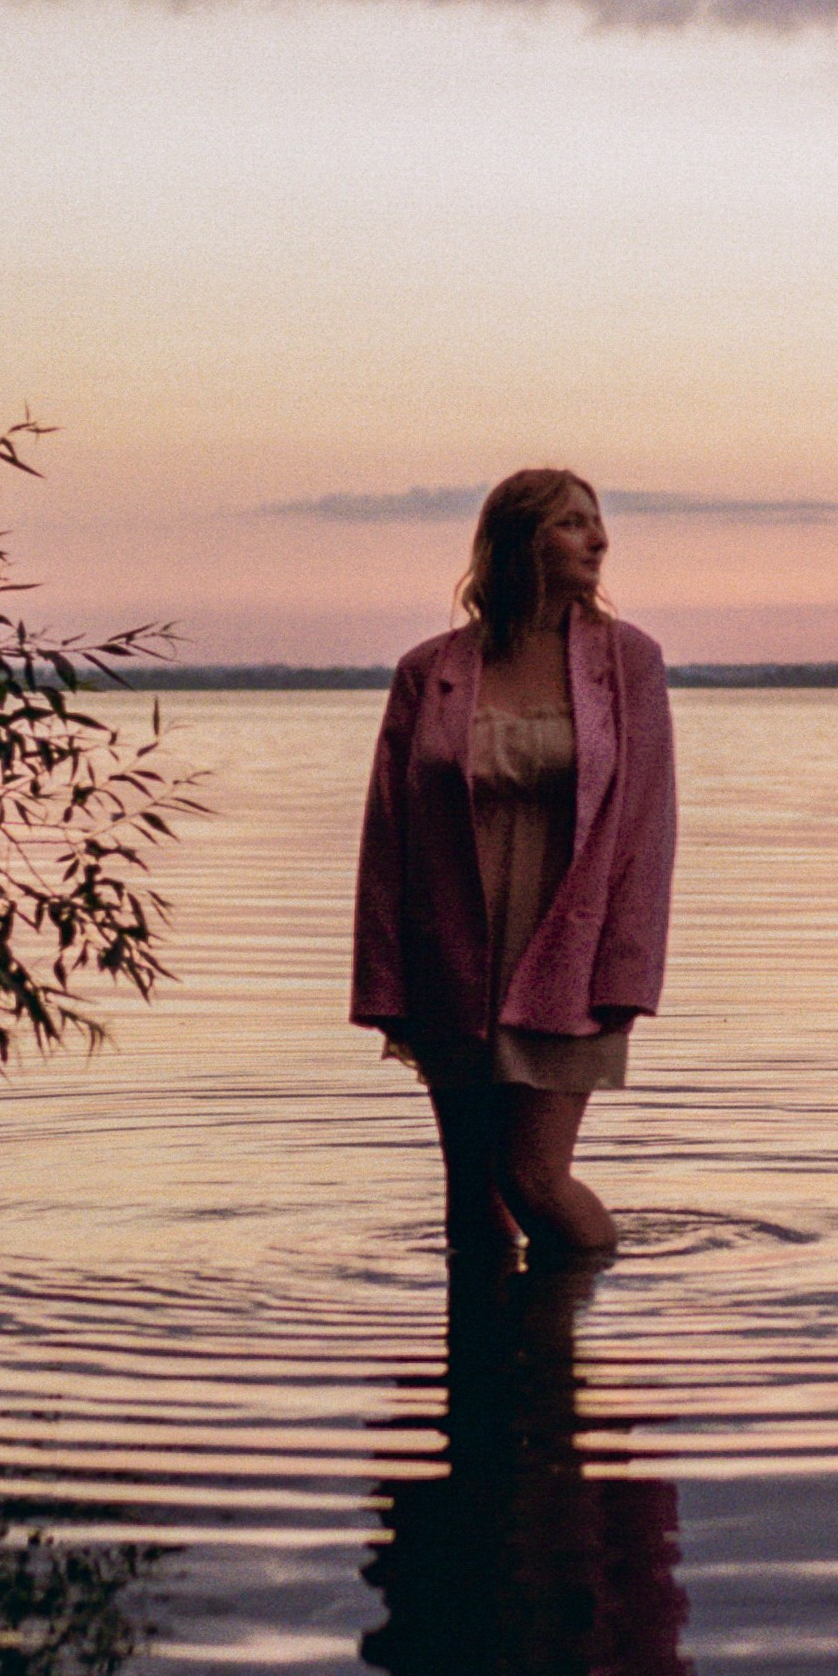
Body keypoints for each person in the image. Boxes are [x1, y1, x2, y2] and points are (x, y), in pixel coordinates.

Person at [351, 469, 676, 1259]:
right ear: (516, 541)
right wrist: (383, 980)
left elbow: (645, 829)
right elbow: (388, 836)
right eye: (571, 523)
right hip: (450, 956)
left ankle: (580, 1331)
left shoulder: (627, 662)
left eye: (596, 523)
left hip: (570, 950)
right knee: (471, 1195)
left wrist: (629, 972)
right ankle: (485, 1374)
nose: (597, 539)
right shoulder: (428, 672)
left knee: (532, 1175)